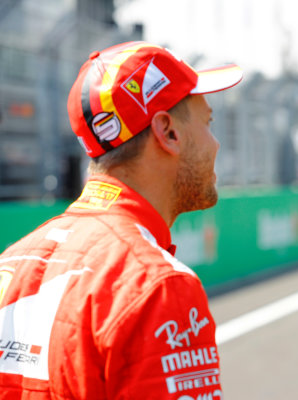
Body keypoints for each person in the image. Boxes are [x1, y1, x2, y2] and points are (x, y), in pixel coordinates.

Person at [0, 41, 242, 399]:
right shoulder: (158, 286)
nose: (216, 144)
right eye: (208, 122)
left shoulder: (12, 262)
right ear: (168, 132)